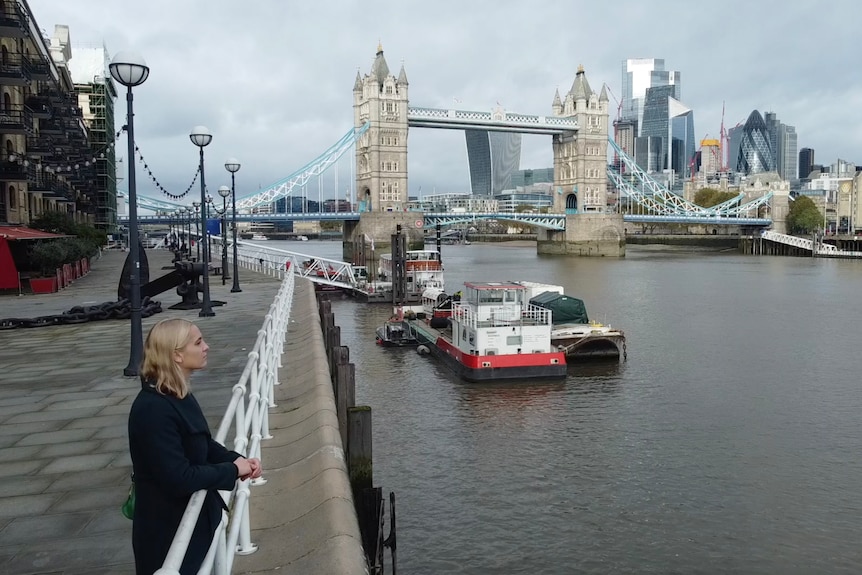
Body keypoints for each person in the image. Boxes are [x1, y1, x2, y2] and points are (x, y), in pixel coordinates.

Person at [128, 318, 262, 574]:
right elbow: (178, 477)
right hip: (167, 532)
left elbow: (201, 443)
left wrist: (238, 460)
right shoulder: (152, 409)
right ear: (177, 355)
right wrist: (231, 470)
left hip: (191, 522)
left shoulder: (176, 393)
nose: (206, 347)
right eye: (198, 342)